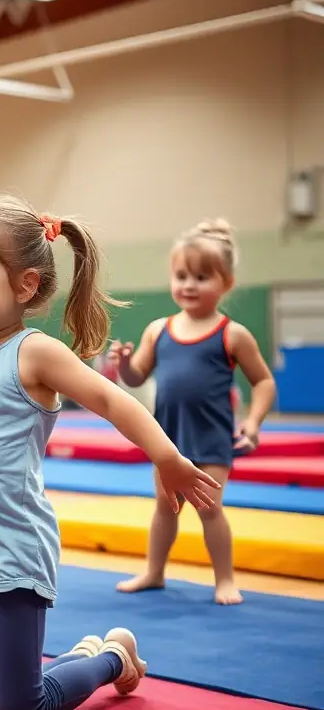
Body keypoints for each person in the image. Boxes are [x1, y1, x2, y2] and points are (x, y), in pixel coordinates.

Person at [0, 193, 220, 710]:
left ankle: (113, 656)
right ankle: (82, 653)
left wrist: (171, 458)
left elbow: (114, 401)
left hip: (12, 550)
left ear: (24, 285)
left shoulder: (33, 353)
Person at [112, 219, 276, 606]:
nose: (189, 284)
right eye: (181, 275)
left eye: (202, 277)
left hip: (212, 437)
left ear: (227, 284)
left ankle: (225, 580)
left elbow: (264, 382)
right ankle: (154, 572)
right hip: (168, 437)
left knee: (210, 510)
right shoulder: (158, 330)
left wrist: (252, 423)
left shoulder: (232, 334)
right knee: (165, 507)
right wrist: (122, 365)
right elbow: (137, 376)